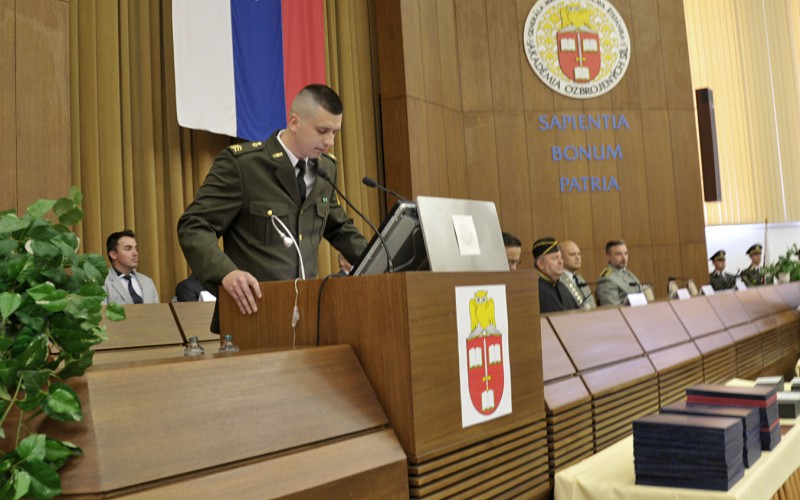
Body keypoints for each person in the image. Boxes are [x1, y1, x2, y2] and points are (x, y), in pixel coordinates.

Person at [177, 84, 368, 332]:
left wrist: (381, 261)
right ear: (295, 122)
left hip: (308, 315)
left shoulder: (325, 169)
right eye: (322, 131)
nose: (329, 142)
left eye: (334, 132)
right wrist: (225, 274)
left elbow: (339, 228)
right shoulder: (244, 166)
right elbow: (194, 226)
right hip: (254, 314)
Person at [103, 230, 159, 304]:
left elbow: (158, 312)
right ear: (113, 254)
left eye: (136, 249)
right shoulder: (102, 282)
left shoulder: (148, 282)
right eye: (128, 248)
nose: (135, 253)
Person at [532, 237, 579, 313]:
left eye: (561, 258)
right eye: (555, 258)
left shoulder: (561, 285)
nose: (561, 262)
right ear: (541, 264)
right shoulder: (535, 290)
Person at [596, 239, 642, 306]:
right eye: (618, 254)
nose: (624, 258)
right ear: (608, 257)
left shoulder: (626, 272)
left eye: (626, 253)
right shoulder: (606, 279)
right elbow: (613, 310)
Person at [559, 240, 596, 309]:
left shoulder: (580, 279)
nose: (577, 258)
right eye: (572, 254)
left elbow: (592, 305)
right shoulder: (559, 281)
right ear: (561, 258)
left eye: (579, 254)